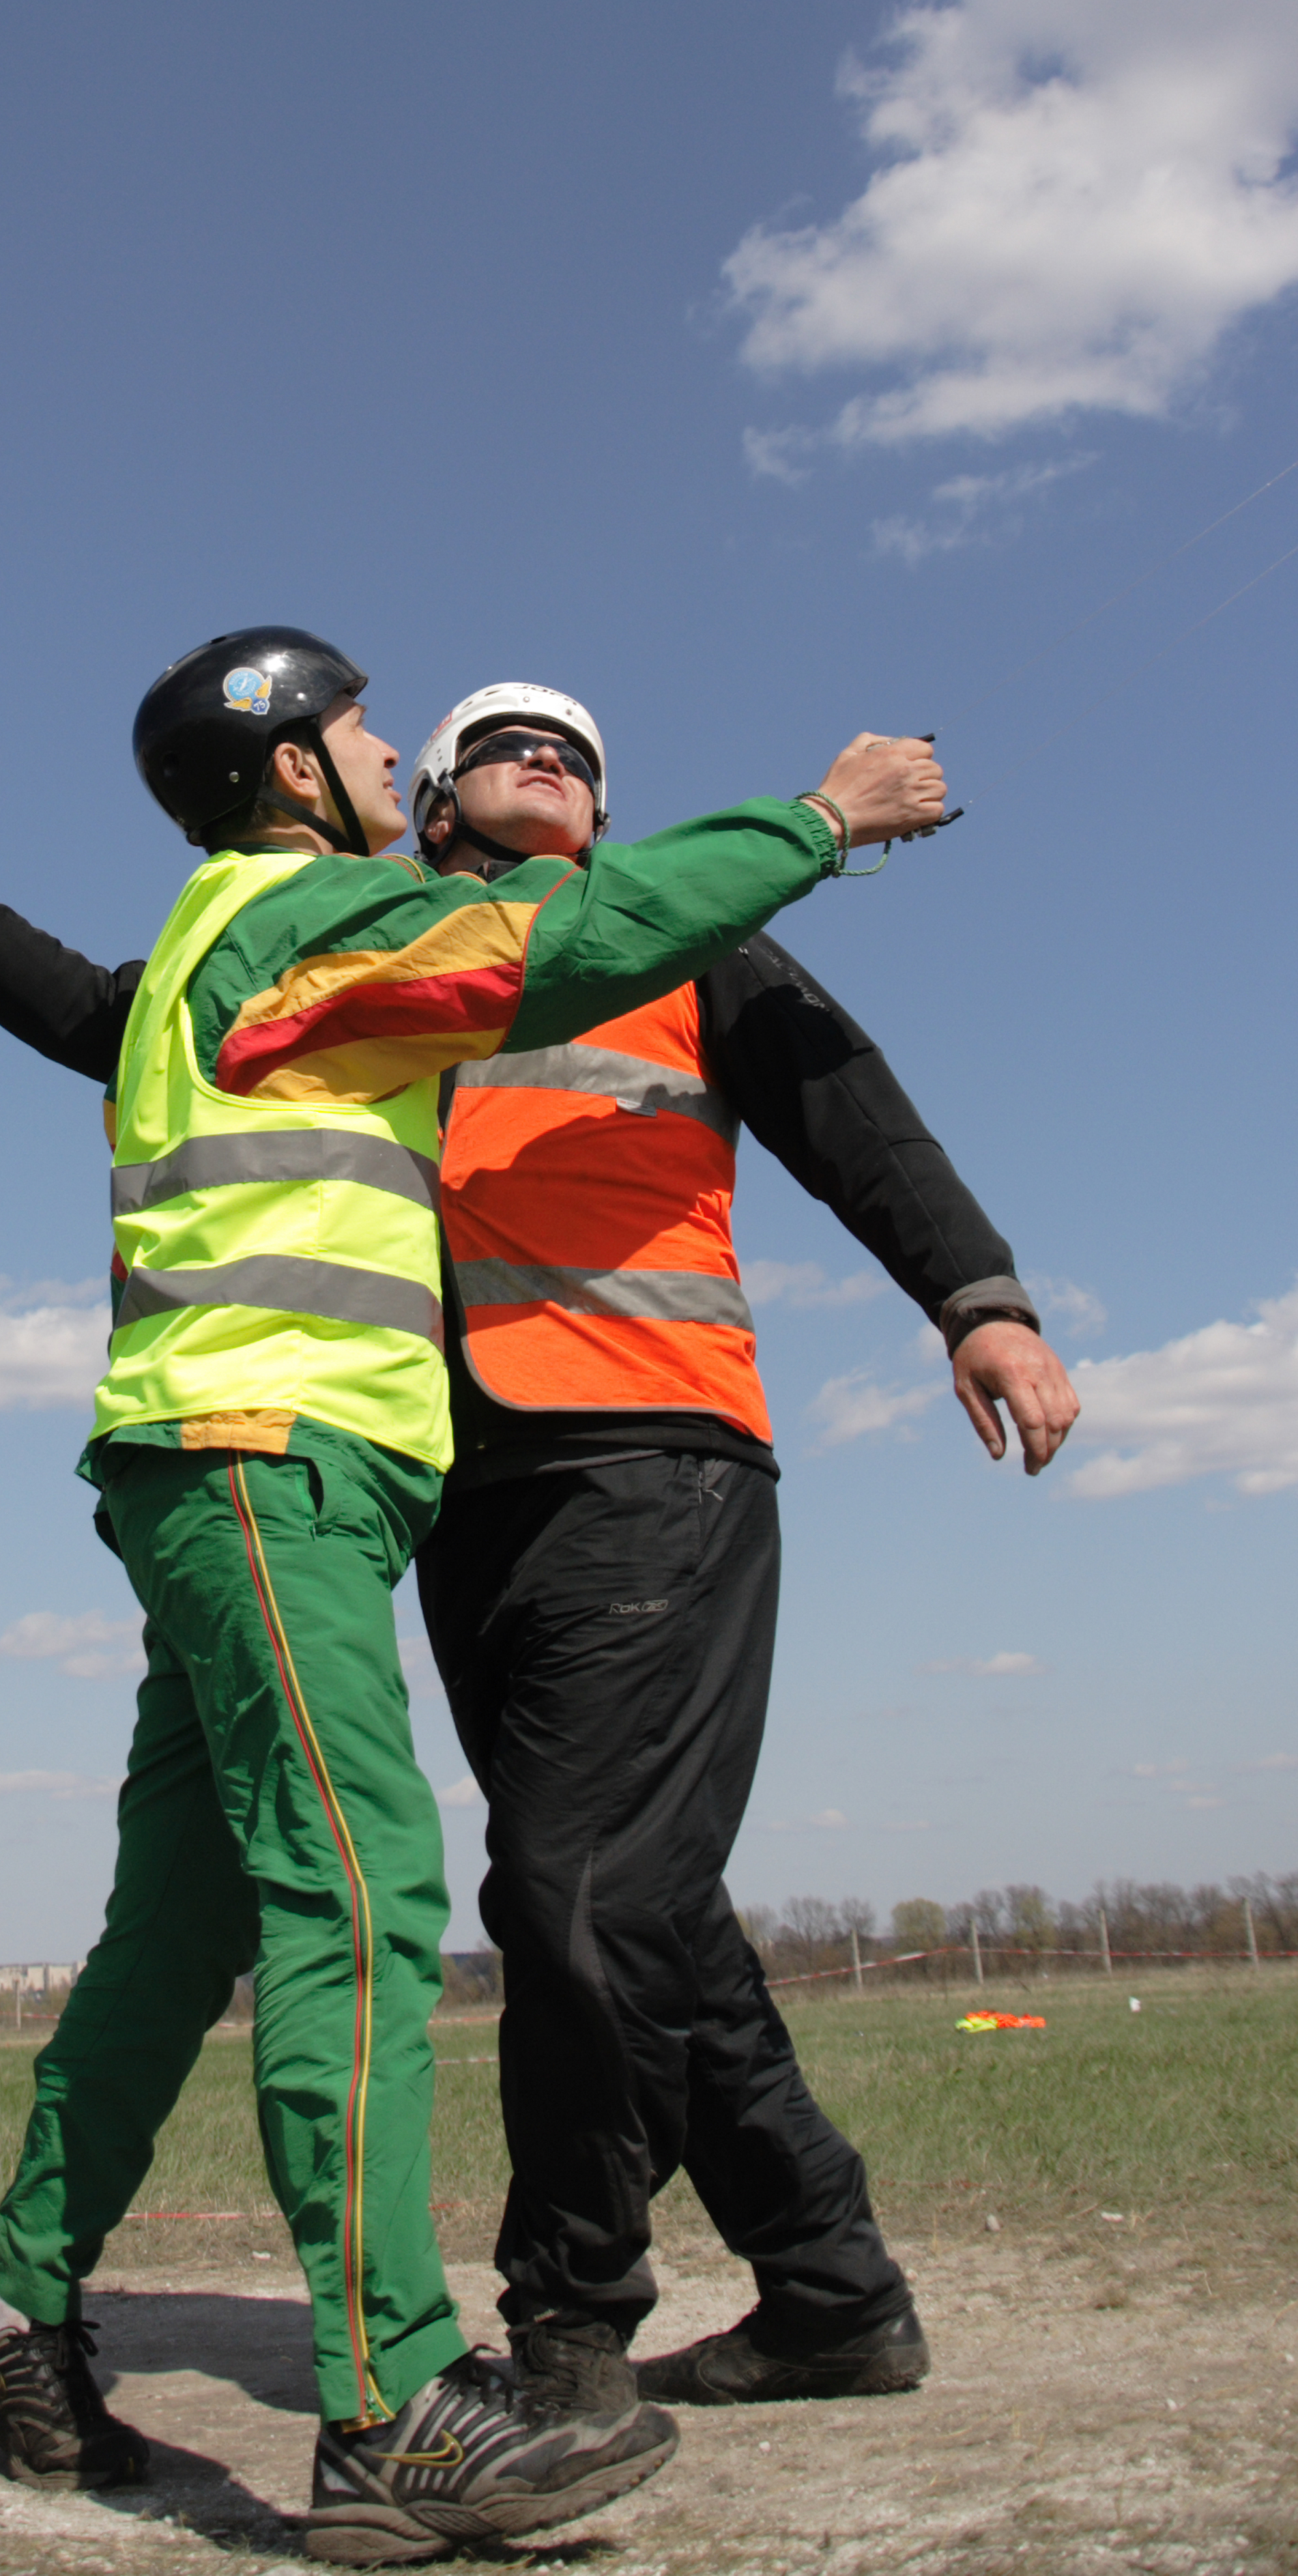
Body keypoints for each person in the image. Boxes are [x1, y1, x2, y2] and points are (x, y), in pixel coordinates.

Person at [0, 627, 947, 2563]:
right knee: (358, 1892)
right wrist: (819, 820)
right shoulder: (318, 919)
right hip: (274, 1461)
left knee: (185, 1919)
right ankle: (389, 2412)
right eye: (366, 732)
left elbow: (83, 1003)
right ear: (296, 773)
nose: (397, 754)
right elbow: (568, 942)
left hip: (208, 1470)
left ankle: (8, 2321)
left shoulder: (215, 939)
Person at [401, 685, 1079, 2418]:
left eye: (578, 755)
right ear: (433, 803)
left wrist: (978, 1298)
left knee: (573, 1891)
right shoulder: (382, 950)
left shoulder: (689, 934)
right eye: (508, 745)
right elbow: (136, 1024)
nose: (552, 761)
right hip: (460, 1488)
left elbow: (859, 1116)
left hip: (657, 1460)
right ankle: (832, 2296)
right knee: (645, 1913)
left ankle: (569, 2330)